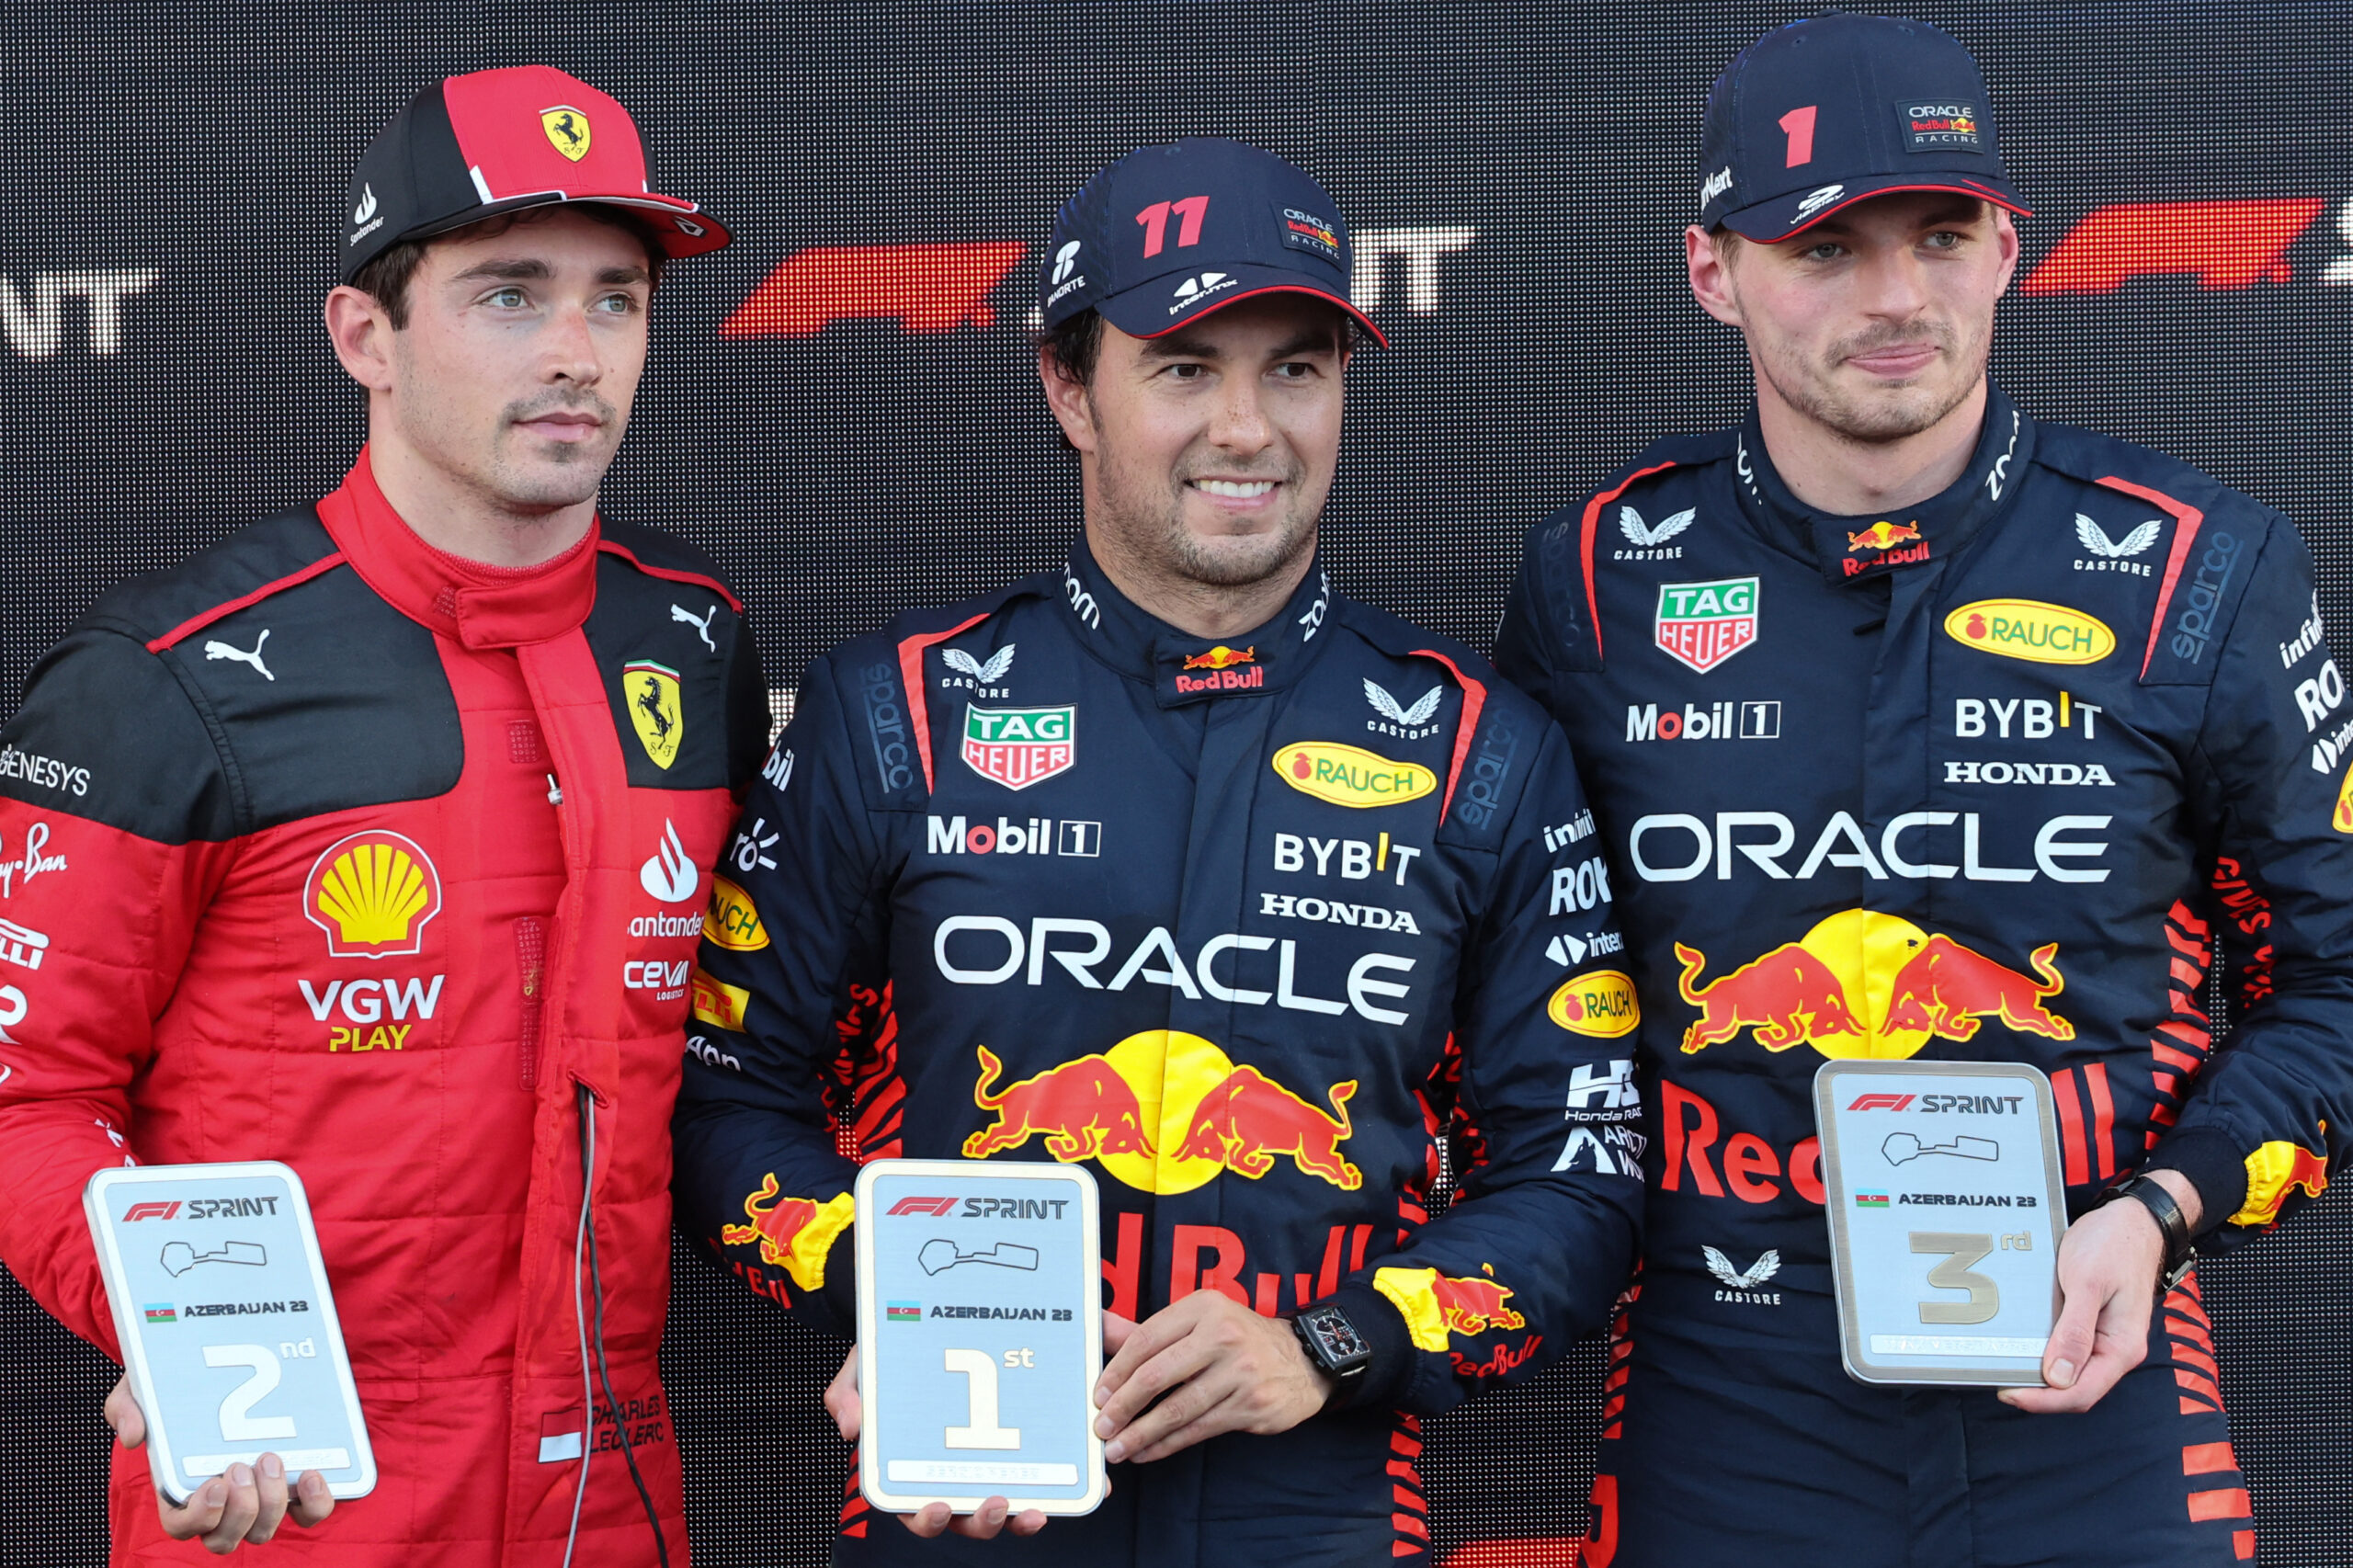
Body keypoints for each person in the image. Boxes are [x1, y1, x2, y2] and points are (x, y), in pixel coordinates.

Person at [672, 137, 1644, 1566]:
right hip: (968, 1493)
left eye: (1295, 368)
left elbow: (1584, 1163)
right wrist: (912, 1287)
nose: (1247, 428)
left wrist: (1332, 1342)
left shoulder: (1479, 748)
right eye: (1186, 368)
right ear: (1071, 389)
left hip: (1322, 1507)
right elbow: (722, 1100)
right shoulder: (897, 715)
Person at [1495, 15, 2353, 1566]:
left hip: (2095, 1371)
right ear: (1713, 271)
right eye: (1827, 246)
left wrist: (2157, 1210)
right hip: (1724, 1382)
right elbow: (1509, 1000)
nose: (1897, 297)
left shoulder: (2196, 570)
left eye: (1941, 236)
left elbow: (2341, 982)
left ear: (2010, 246)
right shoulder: (1596, 582)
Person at [0, 66, 765, 1564]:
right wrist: (173, 1331)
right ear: (368, 334)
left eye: (616, 298)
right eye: (507, 295)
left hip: (611, 1494)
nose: (575, 351)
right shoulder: (161, 681)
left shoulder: (693, 632)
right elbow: (26, 1094)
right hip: (287, 1489)